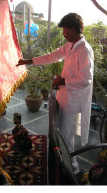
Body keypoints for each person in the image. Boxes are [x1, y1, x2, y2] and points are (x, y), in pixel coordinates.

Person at [17, 12, 94, 158]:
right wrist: (29, 61)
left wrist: (63, 81)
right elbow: (53, 56)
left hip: (73, 99)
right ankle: (63, 161)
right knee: (61, 131)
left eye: (65, 30)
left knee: (67, 134)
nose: (64, 33)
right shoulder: (70, 45)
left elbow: (86, 80)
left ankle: (71, 167)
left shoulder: (84, 50)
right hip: (65, 96)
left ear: (74, 29)